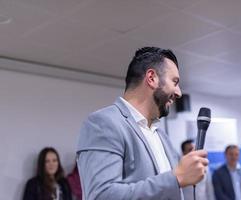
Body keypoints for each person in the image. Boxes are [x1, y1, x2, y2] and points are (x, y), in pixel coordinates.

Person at [77, 47, 209, 200]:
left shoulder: (161, 136)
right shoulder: (103, 123)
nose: (179, 92)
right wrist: (176, 178)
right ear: (151, 78)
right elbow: (101, 195)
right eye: (175, 81)